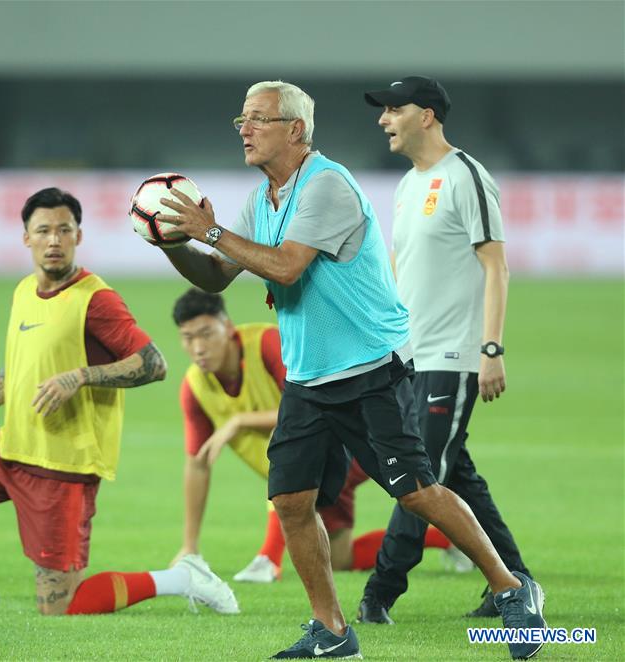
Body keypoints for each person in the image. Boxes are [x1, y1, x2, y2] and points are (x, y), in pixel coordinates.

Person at [155, 80, 547, 659]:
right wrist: (171, 242)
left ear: (296, 129)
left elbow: (285, 267)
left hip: (369, 368)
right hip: (310, 378)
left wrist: (209, 232)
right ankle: (333, 632)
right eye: (241, 118)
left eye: (257, 119)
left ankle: (514, 590)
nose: (244, 128)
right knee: (290, 501)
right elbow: (217, 275)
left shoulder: (327, 185)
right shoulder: (260, 198)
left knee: (415, 490)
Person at [0, 187, 239, 618]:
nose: (54, 240)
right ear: (26, 238)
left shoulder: (95, 299)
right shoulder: (23, 291)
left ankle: (182, 578)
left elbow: (154, 363)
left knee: (63, 607)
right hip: (11, 444)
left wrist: (81, 376)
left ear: (79, 236)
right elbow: (24, 363)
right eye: (44, 231)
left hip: (62, 466)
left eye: (64, 231)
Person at [358, 76, 533, 623]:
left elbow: (496, 266)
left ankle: (378, 595)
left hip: (452, 357)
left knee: (418, 479)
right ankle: (517, 581)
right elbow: (400, 272)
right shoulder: (409, 183)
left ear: (427, 115)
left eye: (393, 109)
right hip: (409, 357)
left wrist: (491, 348)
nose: (384, 119)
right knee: (454, 476)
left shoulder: (467, 177)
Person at [170, 287, 456, 580]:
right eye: (188, 338)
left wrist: (240, 420)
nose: (198, 348)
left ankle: (268, 558)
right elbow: (197, 463)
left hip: (348, 442)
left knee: (290, 460)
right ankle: (445, 539)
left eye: (206, 334)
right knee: (339, 558)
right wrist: (189, 546)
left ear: (227, 327)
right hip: (318, 456)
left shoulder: (266, 343)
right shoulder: (194, 388)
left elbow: (305, 404)